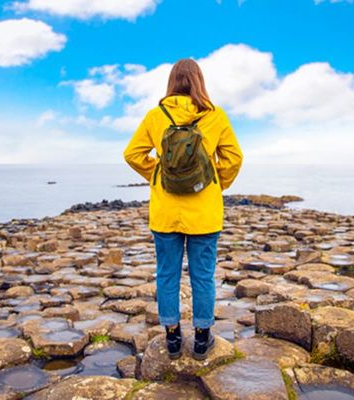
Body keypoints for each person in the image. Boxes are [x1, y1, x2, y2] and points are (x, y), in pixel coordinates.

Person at [123, 58, 243, 360]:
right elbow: (234, 159)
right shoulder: (216, 116)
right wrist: (215, 184)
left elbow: (132, 154)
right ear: (199, 81)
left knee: (166, 275)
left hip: (165, 212)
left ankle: (173, 338)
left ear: (172, 82)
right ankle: (202, 338)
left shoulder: (155, 115)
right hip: (205, 214)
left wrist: (157, 174)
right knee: (203, 276)